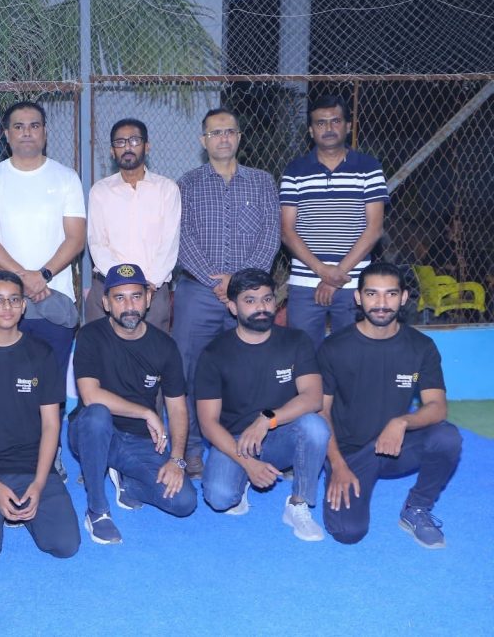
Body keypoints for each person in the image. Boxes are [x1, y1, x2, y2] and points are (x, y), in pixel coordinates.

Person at [318, 262, 461, 548]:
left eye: (391, 294)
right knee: (348, 532)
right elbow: (320, 413)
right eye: (372, 294)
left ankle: (416, 508)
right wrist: (337, 464)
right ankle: (339, 477)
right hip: (350, 453)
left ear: (404, 298)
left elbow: (437, 407)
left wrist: (402, 422)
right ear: (358, 298)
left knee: (447, 437)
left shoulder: (421, 347)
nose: (381, 303)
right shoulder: (334, 347)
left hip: (394, 446)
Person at [173, 107, 280, 478]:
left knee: (247, 369)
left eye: (229, 131)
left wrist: (239, 285)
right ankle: (190, 449)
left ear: (238, 137)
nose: (223, 138)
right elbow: (181, 238)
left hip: (248, 294)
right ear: (203, 141)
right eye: (215, 133)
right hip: (198, 292)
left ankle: (245, 442)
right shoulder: (186, 183)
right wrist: (216, 283)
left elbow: (271, 236)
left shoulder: (262, 181)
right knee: (188, 370)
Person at [0, 270, 80, 564]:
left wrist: (39, 483)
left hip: (31, 465)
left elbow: (50, 425)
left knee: (64, 545)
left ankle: (27, 508)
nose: (6, 308)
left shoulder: (41, 354)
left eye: (13, 300)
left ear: (23, 306)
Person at [195, 268, 329, 541]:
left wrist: (267, 419)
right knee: (220, 499)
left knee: (315, 426)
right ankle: (242, 479)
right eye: (250, 300)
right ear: (232, 307)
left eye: (267, 299)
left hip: (279, 433)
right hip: (235, 441)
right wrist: (247, 464)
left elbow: (313, 397)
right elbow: (208, 424)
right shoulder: (214, 353)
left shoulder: (296, 341)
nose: (261, 307)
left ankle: (297, 504)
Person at [70, 263, 196, 545]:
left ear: (149, 299)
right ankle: (97, 510)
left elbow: (177, 407)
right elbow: (90, 396)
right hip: (91, 432)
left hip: (137, 440)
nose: (129, 305)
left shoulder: (164, 346)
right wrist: (146, 412)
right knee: (97, 415)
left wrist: (177, 459)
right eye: (119, 298)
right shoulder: (90, 337)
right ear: (105, 303)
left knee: (184, 502)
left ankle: (127, 482)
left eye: (136, 296)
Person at [0, 101, 86, 389]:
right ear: (7, 135)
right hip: (7, 302)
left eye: (34, 126)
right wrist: (23, 279)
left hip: (54, 297)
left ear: (45, 133)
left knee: (49, 384)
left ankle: (48, 436)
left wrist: (43, 276)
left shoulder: (66, 178)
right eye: (18, 127)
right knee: (4, 384)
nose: (27, 132)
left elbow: (76, 237)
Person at [280, 94, 389, 349]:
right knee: (303, 358)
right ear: (310, 130)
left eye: (335, 121)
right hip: (305, 283)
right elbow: (287, 231)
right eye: (320, 123)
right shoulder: (295, 170)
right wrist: (323, 272)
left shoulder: (368, 167)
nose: (328, 128)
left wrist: (334, 276)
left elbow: (374, 229)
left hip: (354, 283)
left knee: (354, 355)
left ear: (348, 126)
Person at [86, 119, 180, 332]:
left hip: (153, 289)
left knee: (152, 359)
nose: (127, 147)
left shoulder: (166, 189)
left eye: (134, 140)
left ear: (147, 146)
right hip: (107, 288)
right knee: (103, 358)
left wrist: (148, 284)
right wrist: (120, 283)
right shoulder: (100, 191)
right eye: (120, 142)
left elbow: (169, 242)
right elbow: (97, 243)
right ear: (112, 151)